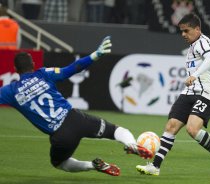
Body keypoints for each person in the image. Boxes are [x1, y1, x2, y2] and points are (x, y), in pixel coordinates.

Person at [0, 36, 153, 176]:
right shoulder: (44, 74)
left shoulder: (11, 91)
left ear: (15, 70)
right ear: (33, 64)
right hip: (76, 119)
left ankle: (93, 165)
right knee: (116, 130)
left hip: (60, 136)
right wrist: (95, 55)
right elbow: (73, 68)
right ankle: (131, 144)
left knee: (60, 164)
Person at [136, 13, 210, 179]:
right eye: (181, 31)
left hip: (205, 93)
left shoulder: (203, 42)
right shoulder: (192, 47)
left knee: (192, 129)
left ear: (197, 29)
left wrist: (195, 75)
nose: (183, 35)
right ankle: (155, 166)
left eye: (186, 31)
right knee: (171, 126)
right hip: (188, 92)